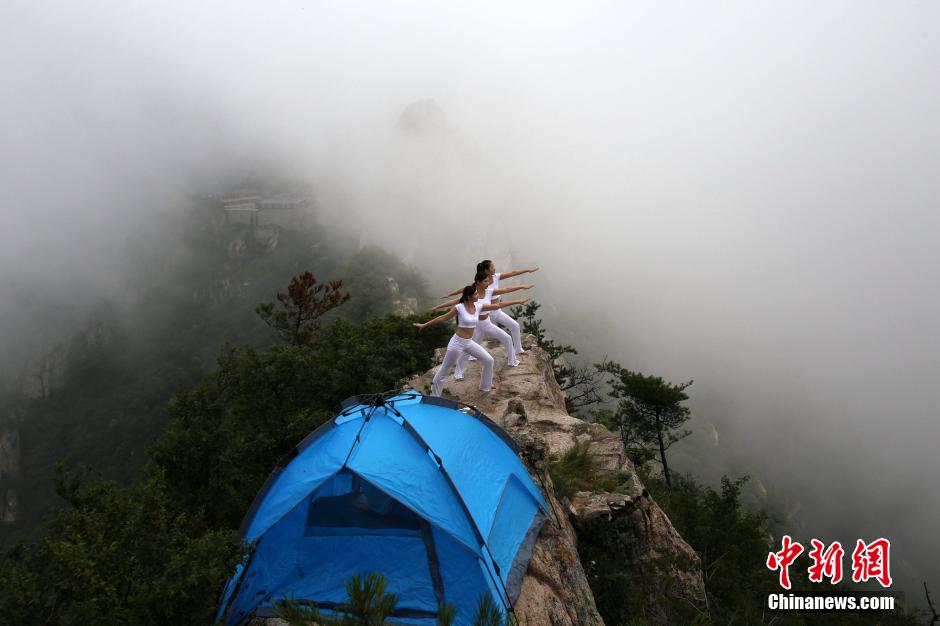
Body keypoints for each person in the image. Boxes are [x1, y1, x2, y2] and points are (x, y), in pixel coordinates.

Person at [415, 286, 530, 396]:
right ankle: (434, 395)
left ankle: (485, 387)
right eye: (475, 293)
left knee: (489, 360)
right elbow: (443, 317)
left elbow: (498, 305)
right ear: (469, 297)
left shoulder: (478, 307)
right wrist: (424, 325)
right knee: (444, 370)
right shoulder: (459, 307)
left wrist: (517, 301)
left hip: (469, 342)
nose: (477, 295)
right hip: (457, 343)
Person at [430, 271, 533, 377]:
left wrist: (521, 287)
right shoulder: (472, 295)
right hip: (476, 326)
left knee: (507, 338)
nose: (488, 283)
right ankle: (458, 373)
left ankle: (512, 362)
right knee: (466, 351)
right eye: (485, 281)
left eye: (488, 280)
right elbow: (454, 301)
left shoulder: (489, 291)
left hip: (487, 323)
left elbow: (506, 290)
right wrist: (437, 307)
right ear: (478, 282)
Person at [440, 260, 538, 357]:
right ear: (487, 270)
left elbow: (513, 273)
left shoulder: (496, 277)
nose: (494, 268)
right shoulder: (478, 284)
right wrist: (449, 295)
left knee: (515, 326)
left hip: (496, 311)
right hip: (486, 314)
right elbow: (462, 291)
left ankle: (518, 350)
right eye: (492, 267)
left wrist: (527, 270)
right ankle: (464, 355)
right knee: (478, 337)